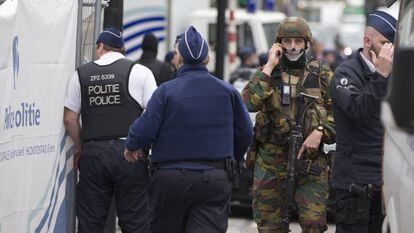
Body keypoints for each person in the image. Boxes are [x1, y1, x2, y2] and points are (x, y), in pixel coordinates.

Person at [124, 26, 253, 233]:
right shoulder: (228, 91)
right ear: (207, 60)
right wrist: (230, 159)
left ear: (178, 59)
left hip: (170, 180)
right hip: (214, 179)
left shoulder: (165, 92)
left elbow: (144, 130)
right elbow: (246, 132)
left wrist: (132, 145)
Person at [241, 17, 335, 232]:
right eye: (287, 41)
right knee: (269, 226)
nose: (293, 47)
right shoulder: (267, 73)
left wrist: (321, 131)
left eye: (298, 42)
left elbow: (339, 115)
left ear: (306, 43)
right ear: (279, 44)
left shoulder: (321, 74)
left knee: (313, 224)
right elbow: (248, 103)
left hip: (309, 161)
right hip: (270, 162)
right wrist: (269, 66)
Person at [63, 27, 157, 233]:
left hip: (93, 154)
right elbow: (154, 114)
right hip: (130, 153)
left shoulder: (81, 74)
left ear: (100, 47)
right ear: (122, 49)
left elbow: (70, 119)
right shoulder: (140, 72)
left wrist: (79, 148)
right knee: (135, 223)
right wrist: (140, 144)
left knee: (90, 224)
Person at [329, 10, 397, 233]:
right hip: (354, 183)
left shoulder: (390, 76)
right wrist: (380, 77)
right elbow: (359, 110)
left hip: (383, 181)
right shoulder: (345, 73)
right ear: (367, 42)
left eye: (392, 45)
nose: (389, 51)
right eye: (385, 43)